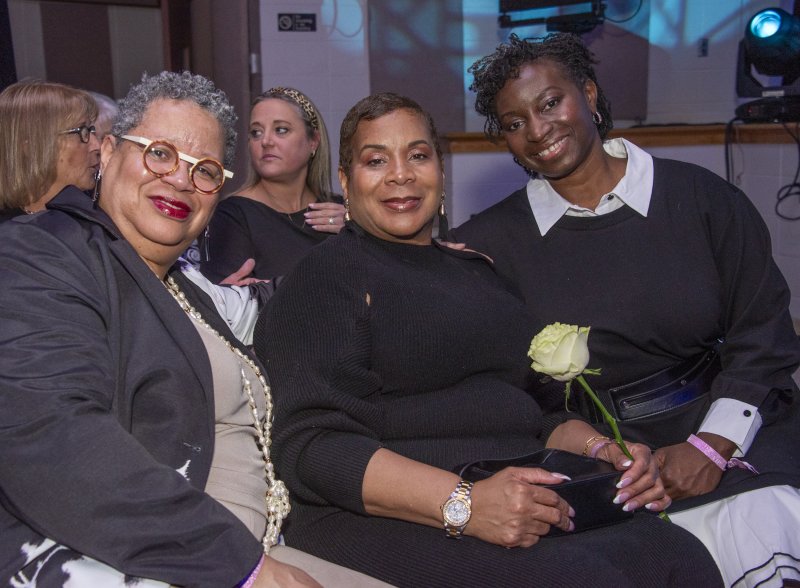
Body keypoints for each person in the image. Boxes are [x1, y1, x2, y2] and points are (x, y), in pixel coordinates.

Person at [257, 92, 723, 587]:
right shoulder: (327, 276)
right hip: (378, 510)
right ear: (346, 182)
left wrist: (601, 449)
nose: (401, 175)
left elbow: (537, 411)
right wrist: (464, 504)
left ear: (441, 169)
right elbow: (310, 446)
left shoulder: (477, 274)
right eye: (376, 160)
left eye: (418, 155)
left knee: (675, 555)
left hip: (514, 481)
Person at [0, 70, 389, 588]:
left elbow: (282, 304)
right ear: (109, 152)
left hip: (258, 543)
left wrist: (400, 257)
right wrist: (243, 569)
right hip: (145, 561)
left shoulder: (189, 287)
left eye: (205, 169)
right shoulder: (43, 251)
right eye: (159, 153)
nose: (181, 180)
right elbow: (51, 438)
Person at [453, 33, 800, 587]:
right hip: (596, 459)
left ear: (589, 95)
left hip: (723, 424)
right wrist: (603, 452)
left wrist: (709, 447)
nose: (538, 131)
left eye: (549, 103)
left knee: (760, 522)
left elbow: (763, 336)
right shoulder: (487, 245)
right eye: (515, 123)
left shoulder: (703, 199)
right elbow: (502, 388)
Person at [199, 86, 345, 281]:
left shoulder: (341, 211)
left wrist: (363, 232)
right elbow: (230, 303)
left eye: (281, 130)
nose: (266, 141)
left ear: (313, 142)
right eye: (256, 132)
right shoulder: (230, 217)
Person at [0, 79, 100, 221]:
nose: (97, 145)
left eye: (91, 130)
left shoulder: (95, 216)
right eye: (82, 131)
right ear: (30, 147)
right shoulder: (7, 237)